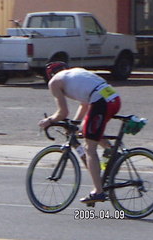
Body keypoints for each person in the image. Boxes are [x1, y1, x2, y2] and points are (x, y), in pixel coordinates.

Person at [38, 62, 121, 204]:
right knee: (86, 130)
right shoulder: (76, 72)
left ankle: (98, 192)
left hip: (100, 102)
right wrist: (74, 124)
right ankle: (111, 151)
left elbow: (63, 113)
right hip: (113, 98)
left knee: (89, 147)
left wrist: (49, 120)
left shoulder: (54, 82)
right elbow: (84, 104)